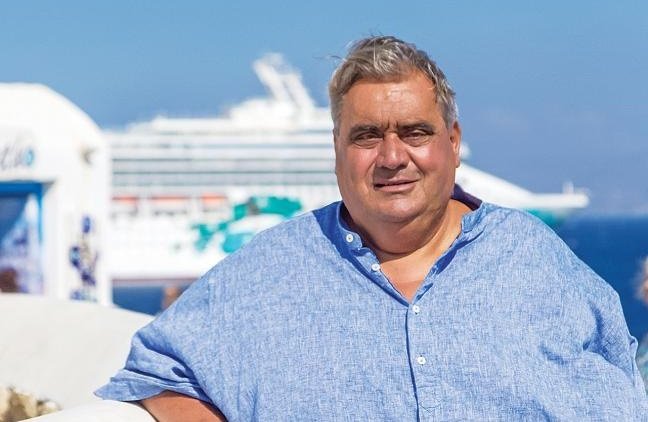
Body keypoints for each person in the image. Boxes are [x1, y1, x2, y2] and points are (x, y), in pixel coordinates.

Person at [97, 36, 648, 420]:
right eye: (366, 136)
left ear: (453, 143)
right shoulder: (268, 270)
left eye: (414, 132)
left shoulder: (531, 256)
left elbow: (619, 375)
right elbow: (156, 371)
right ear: (337, 150)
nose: (392, 157)